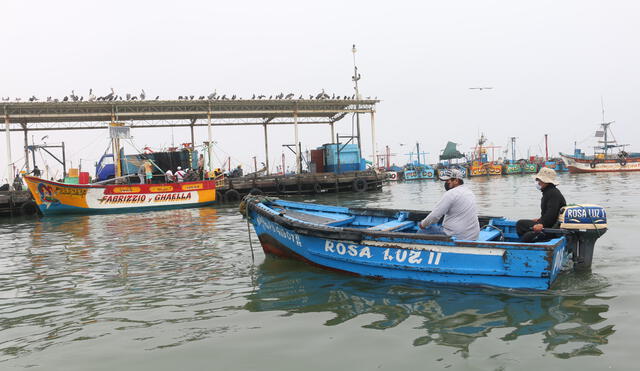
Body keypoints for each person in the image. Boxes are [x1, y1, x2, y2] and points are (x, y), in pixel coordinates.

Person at [418, 168, 480, 240]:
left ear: (456, 181)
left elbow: (435, 216)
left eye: (448, 181)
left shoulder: (451, 193)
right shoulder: (469, 192)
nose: (446, 183)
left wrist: (422, 224)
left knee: (422, 230)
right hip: (473, 236)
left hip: (456, 235)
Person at [516, 167, 566, 242]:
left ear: (545, 181)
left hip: (552, 229)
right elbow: (548, 212)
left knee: (527, 236)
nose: (538, 182)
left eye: (539, 180)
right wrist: (540, 219)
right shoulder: (548, 192)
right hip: (548, 223)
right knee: (520, 224)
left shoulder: (553, 193)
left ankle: (539, 241)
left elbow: (552, 214)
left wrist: (542, 224)